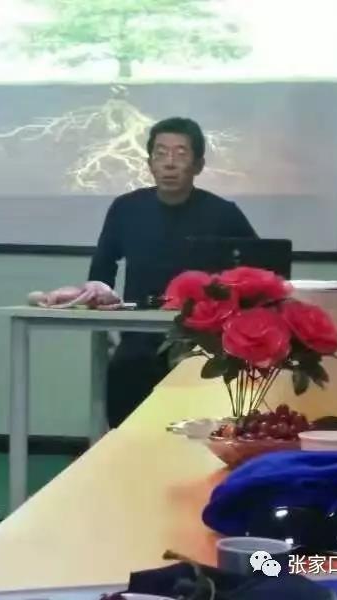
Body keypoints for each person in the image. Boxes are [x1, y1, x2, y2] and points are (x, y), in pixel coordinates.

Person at [88, 117, 258, 428]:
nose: (169, 163)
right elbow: (102, 266)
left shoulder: (223, 213)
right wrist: (99, 293)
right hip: (140, 337)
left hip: (204, 339)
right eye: (160, 153)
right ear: (149, 163)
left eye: (181, 154)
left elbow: (260, 271)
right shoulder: (126, 209)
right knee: (127, 375)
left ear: (198, 165)